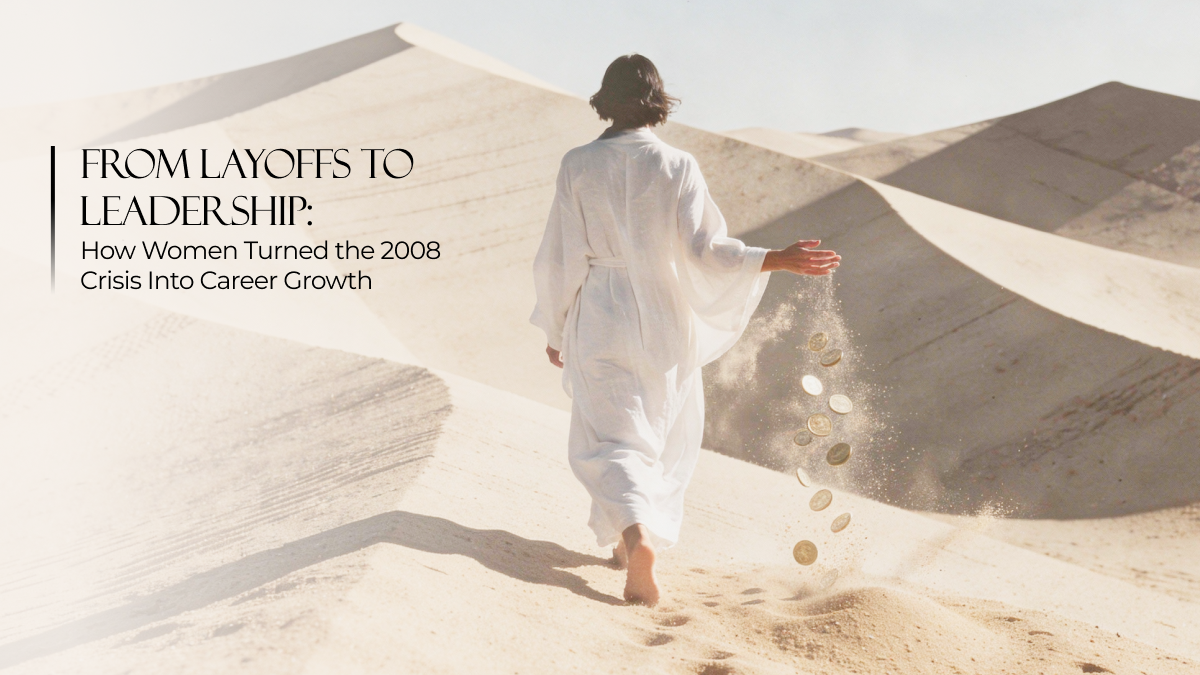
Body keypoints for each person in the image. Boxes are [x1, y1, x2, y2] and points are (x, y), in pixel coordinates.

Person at [530, 54, 840, 606]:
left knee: (609, 440)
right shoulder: (678, 165)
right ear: (657, 101)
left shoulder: (578, 164)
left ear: (606, 99)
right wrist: (775, 258)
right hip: (665, 316)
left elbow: (560, 257)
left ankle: (635, 538)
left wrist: (556, 327)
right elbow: (707, 251)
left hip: (602, 311)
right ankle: (630, 547)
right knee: (657, 434)